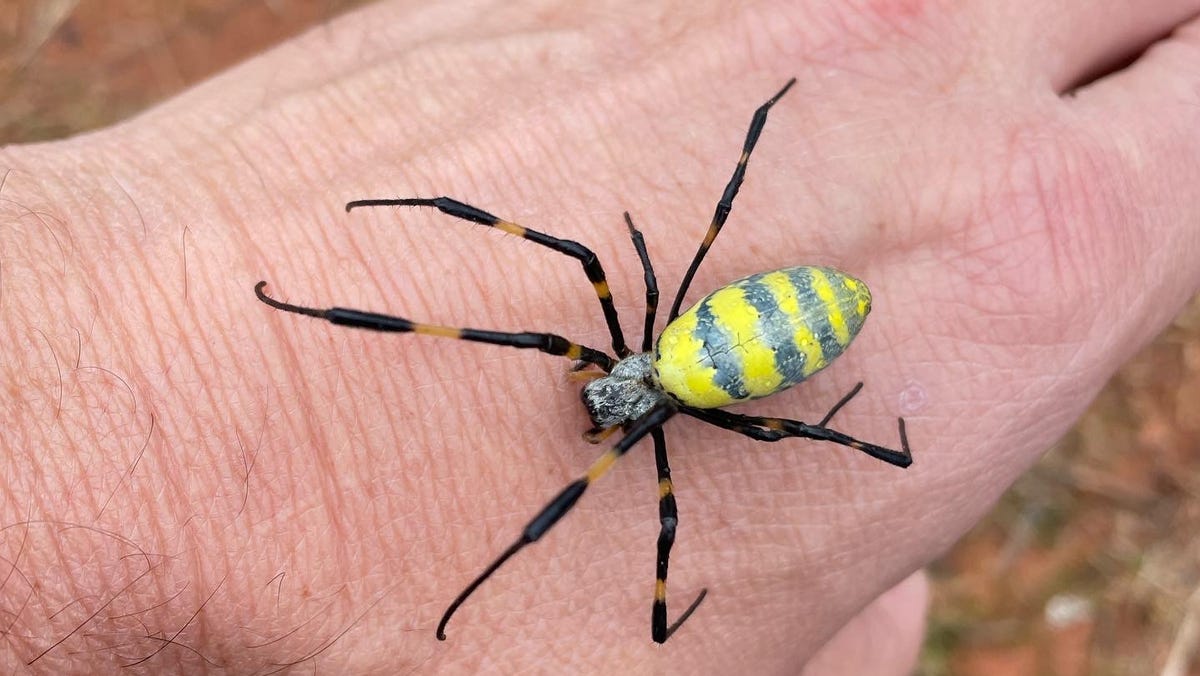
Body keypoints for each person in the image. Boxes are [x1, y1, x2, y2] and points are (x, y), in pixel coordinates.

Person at [2, 1, 1197, 673]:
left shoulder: (641, 377)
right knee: (577, 319)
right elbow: (517, 290)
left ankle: (484, 571)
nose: (605, 403)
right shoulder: (643, 364)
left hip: (757, 337)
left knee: (568, 333)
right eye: (616, 392)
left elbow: (518, 301)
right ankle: (331, 319)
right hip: (734, 342)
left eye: (615, 394)